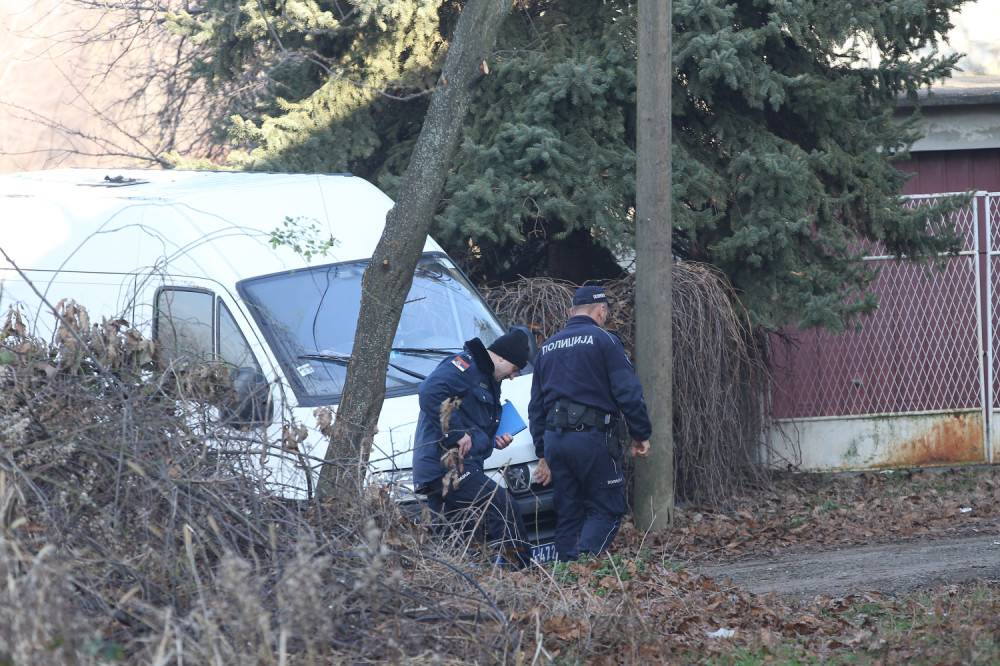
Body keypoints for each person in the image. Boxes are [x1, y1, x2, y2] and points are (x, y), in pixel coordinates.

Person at [528, 285, 651, 561]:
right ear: (601, 311)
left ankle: (567, 577)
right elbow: (628, 393)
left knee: (569, 511)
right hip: (592, 439)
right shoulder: (604, 341)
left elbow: (536, 408)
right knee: (607, 508)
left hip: (556, 442)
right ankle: (584, 567)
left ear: (571, 312)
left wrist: (542, 453)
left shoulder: (546, 349)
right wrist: (641, 434)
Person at [412, 330, 534, 568]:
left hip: (459, 465)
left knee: (454, 535)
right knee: (502, 506)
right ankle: (520, 576)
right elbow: (429, 392)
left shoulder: (488, 377)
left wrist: (493, 440)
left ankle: (453, 584)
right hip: (445, 464)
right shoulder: (466, 366)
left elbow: (472, 424)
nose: (512, 377)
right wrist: (455, 433)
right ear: (501, 357)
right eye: (514, 369)